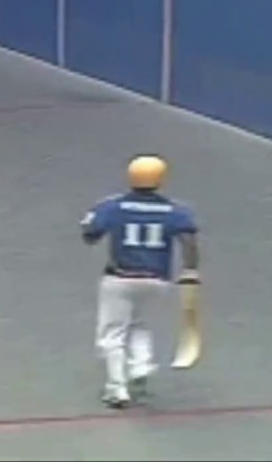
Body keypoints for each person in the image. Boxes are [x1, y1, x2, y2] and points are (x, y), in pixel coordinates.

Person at [80, 155, 199, 408]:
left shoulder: (113, 206)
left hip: (120, 278)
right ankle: (141, 365)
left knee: (112, 334)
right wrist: (190, 270)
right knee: (140, 323)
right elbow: (189, 242)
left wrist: (89, 224)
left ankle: (117, 389)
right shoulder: (176, 210)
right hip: (157, 280)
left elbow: (90, 236)